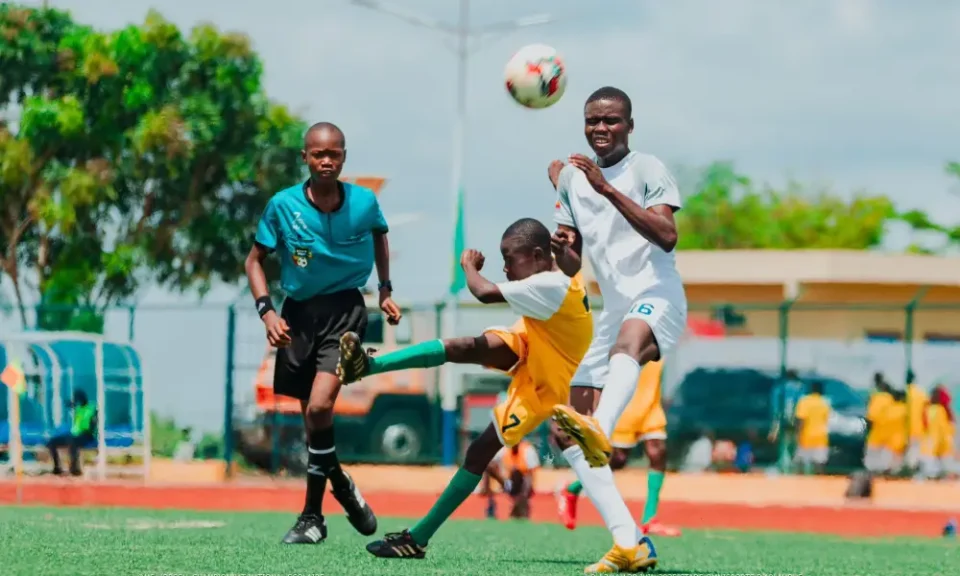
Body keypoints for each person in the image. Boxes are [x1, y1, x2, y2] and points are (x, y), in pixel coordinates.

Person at [338, 218, 595, 561]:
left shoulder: (549, 286)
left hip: (544, 383)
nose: (504, 266)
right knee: (465, 346)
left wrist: (469, 266)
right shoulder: (555, 276)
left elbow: (484, 292)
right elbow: (571, 257)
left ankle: (417, 539)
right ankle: (369, 366)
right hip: (536, 340)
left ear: (536, 255)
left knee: (479, 451)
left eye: (509, 257)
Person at [545, 85, 685, 572]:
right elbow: (571, 263)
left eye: (611, 120)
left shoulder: (647, 168)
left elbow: (667, 236)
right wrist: (561, 245)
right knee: (564, 432)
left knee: (627, 346)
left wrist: (605, 189)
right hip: (614, 310)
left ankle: (601, 430)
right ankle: (629, 542)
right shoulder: (571, 181)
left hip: (656, 298)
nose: (600, 129)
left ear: (629, 125)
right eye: (592, 120)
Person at [245, 122, 401, 544]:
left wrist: (384, 290)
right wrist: (268, 313)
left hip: (345, 311)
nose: (326, 160)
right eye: (318, 154)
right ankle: (337, 489)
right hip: (296, 316)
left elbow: (380, 238)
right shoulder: (283, 205)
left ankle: (312, 516)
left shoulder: (365, 203)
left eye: (334, 153)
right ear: (305, 158)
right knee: (314, 424)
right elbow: (254, 261)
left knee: (318, 408)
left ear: (344, 157)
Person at [556, 359, 681, 536]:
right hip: (628, 402)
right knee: (617, 459)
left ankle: (649, 519)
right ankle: (572, 488)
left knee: (658, 451)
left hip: (651, 401)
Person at [481, 440, 541, 520]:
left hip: (522, 486)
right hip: (507, 484)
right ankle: (490, 501)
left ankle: (520, 503)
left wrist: (523, 496)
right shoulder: (504, 450)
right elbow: (490, 463)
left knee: (517, 473)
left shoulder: (528, 450)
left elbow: (530, 477)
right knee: (489, 467)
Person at [46, 389, 96, 476]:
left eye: (77, 398)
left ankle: (74, 469)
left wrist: (90, 429)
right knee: (52, 442)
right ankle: (57, 468)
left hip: (87, 435)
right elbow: (70, 405)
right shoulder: (78, 408)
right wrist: (70, 403)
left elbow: (94, 423)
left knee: (73, 442)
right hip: (74, 435)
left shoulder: (92, 407)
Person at [793, 380, 831, 475]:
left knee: (800, 465)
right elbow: (827, 419)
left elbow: (801, 420)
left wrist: (798, 434)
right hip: (821, 437)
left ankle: (799, 485)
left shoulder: (804, 401)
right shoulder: (825, 402)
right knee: (819, 465)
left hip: (806, 437)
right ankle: (820, 486)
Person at [919, 385, 955, 479]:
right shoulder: (940, 410)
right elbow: (944, 429)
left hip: (930, 444)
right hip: (939, 444)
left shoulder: (928, 408)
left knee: (930, 468)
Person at [864, 373, 894, 473]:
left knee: (872, 461)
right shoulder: (891, 399)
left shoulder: (876, 397)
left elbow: (871, 417)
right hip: (889, 435)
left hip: (877, 434)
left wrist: (867, 429)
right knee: (885, 462)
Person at [904, 371, 928, 471]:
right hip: (918, 427)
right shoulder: (920, 393)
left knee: (906, 450)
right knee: (915, 450)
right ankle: (913, 469)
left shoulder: (904, 393)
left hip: (904, 428)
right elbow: (925, 411)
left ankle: (908, 469)